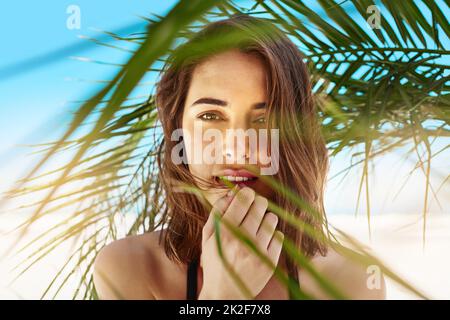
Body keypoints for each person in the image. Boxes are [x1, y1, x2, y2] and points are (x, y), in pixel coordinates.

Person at [93, 14, 386, 300]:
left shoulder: (353, 279)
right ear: (178, 128)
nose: (237, 149)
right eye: (211, 116)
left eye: (263, 120)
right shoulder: (130, 269)